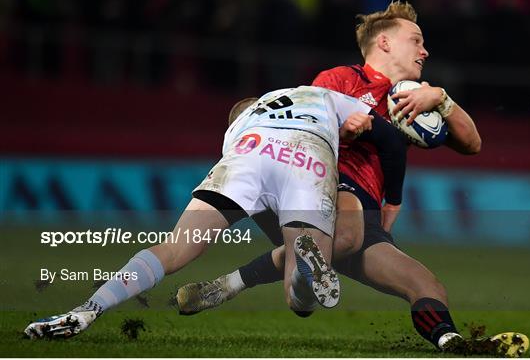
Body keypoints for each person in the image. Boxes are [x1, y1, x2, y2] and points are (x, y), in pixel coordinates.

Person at [175, 1, 527, 357]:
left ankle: (455, 344)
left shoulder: (413, 99)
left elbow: (473, 144)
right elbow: (306, 133)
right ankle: (266, 278)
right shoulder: (339, 80)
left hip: (365, 217)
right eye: (416, 40)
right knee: (344, 235)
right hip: (321, 191)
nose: (425, 50)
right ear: (386, 43)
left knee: (426, 285)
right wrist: (349, 128)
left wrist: (442, 98)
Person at [24, 84, 408, 339]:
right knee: (300, 298)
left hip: (248, 152)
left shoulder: (237, 128)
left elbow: (255, 202)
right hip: (308, 154)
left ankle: (87, 309)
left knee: (173, 249)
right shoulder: (318, 94)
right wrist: (393, 200)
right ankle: (304, 274)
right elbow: (388, 136)